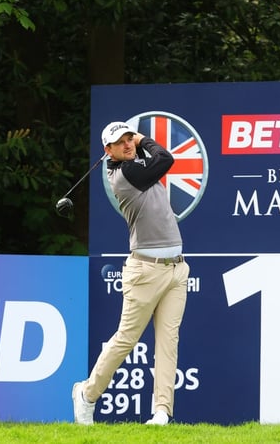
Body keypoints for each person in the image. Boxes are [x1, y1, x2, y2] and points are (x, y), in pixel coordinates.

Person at [72, 121, 190, 426]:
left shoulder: (137, 165)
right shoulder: (123, 175)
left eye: (129, 139)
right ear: (107, 150)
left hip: (177, 268)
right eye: (120, 141)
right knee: (126, 339)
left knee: (168, 341)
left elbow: (156, 161)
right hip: (145, 271)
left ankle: (162, 411)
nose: (127, 144)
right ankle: (86, 394)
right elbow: (166, 159)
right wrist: (142, 138)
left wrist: (137, 145)